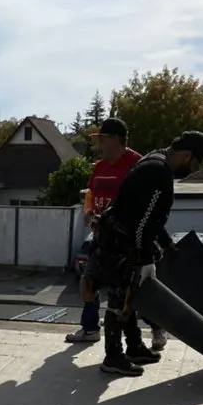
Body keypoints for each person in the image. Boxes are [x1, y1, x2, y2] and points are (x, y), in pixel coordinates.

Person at [85, 130, 203, 377]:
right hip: (122, 243)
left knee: (129, 298)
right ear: (186, 154)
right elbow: (142, 222)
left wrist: (165, 242)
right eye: (194, 163)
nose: (193, 169)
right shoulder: (159, 173)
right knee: (118, 302)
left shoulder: (154, 159)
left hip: (120, 236)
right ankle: (113, 357)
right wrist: (144, 260)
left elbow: (148, 214)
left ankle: (133, 347)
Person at [66, 118, 140, 345]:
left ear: (115, 139)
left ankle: (142, 338)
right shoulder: (99, 166)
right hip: (100, 237)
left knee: (125, 293)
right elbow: (90, 193)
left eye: (103, 140)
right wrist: (88, 211)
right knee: (87, 282)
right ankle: (90, 329)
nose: (99, 146)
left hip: (125, 241)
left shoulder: (137, 164)